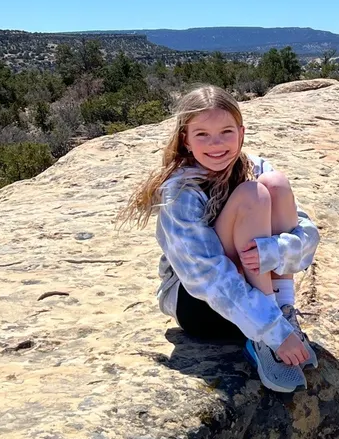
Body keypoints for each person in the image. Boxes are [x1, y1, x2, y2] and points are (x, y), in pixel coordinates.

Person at [122, 84, 319, 392]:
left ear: (241, 132)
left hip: (249, 293)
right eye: (202, 135)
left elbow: (305, 233)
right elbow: (208, 277)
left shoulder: (254, 165)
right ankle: (264, 337)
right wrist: (273, 332)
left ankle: (283, 310)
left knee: (275, 185)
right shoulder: (181, 193)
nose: (216, 144)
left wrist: (276, 251)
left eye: (226, 132)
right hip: (203, 305)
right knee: (252, 195)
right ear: (185, 140)